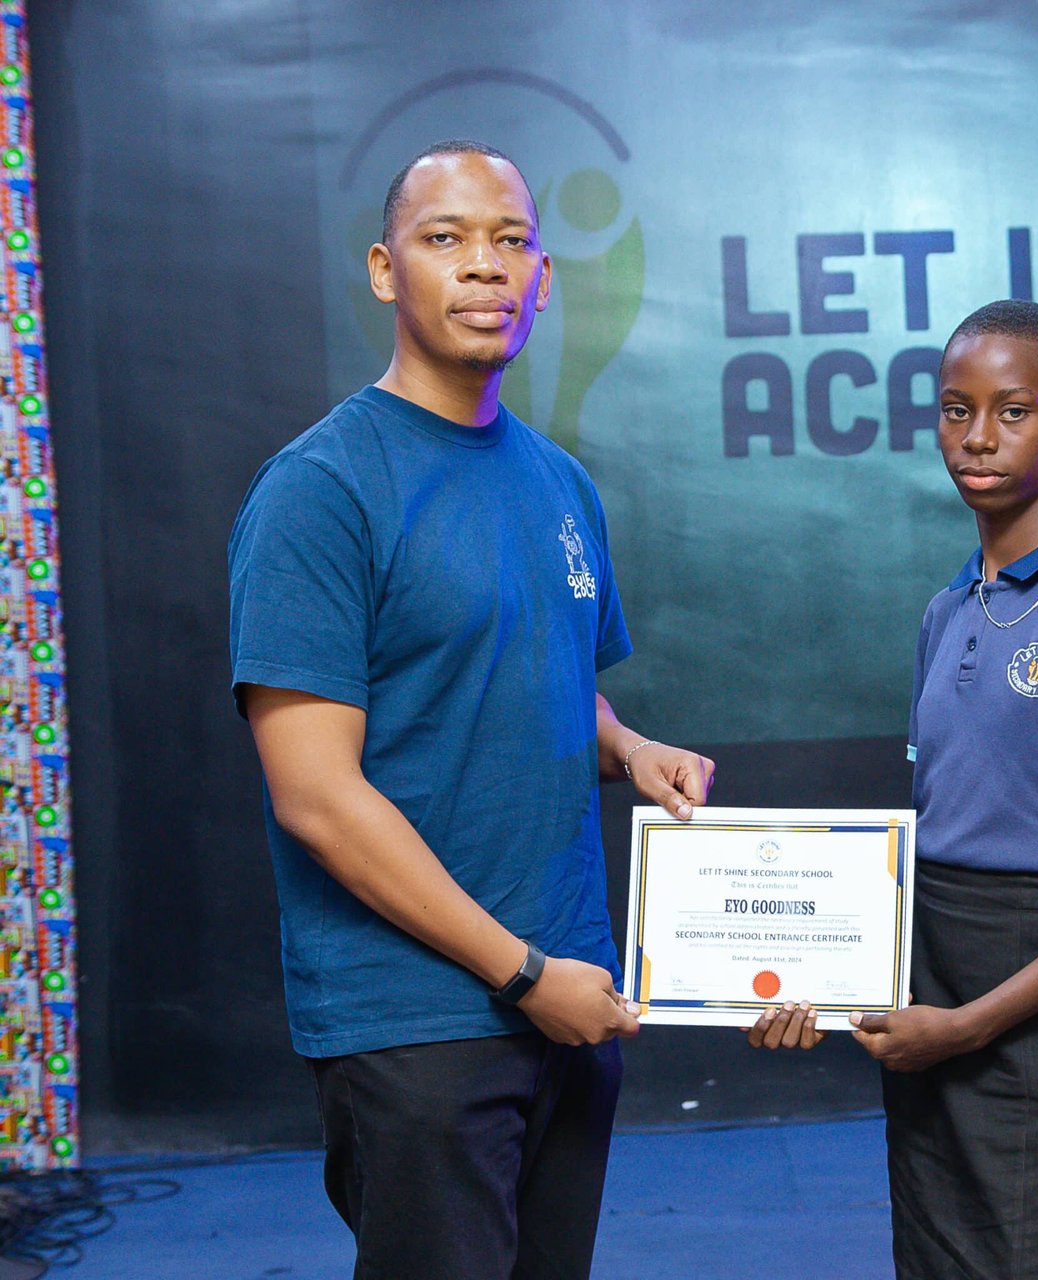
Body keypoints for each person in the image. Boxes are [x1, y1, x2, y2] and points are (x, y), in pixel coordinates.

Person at [227, 139, 712, 1280]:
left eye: (511, 241)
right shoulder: (319, 489)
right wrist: (523, 974)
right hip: (421, 1020)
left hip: (574, 995)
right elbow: (316, 796)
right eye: (445, 238)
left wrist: (628, 746)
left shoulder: (558, 480)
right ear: (386, 270)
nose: (484, 265)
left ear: (543, 279)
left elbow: (544, 679)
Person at [751, 299, 1038, 1278]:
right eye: (956, 409)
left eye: (1012, 410)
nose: (977, 436)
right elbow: (938, 839)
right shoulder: (943, 612)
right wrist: (802, 979)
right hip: (932, 985)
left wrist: (977, 1021)